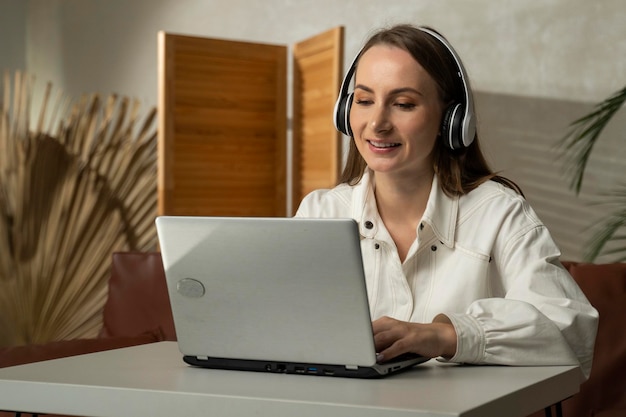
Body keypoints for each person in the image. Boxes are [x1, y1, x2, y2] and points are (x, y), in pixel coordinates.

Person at [295, 24, 598, 378]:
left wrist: (446, 335)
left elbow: (571, 327)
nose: (377, 123)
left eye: (403, 104)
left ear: (451, 120)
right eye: (363, 101)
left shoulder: (499, 213)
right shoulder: (321, 212)